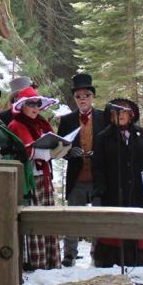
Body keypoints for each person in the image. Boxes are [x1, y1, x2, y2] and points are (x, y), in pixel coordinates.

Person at [92, 98, 143, 268]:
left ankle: (140, 260)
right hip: (113, 192)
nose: (121, 115)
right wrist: (100, 190)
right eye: (117, 112)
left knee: (139, 224)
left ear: (132, 115)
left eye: (125, 111)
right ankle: (114, 260)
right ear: (111, 116)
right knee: (115, 227)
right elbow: (98, 167)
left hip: (140, 192)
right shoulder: (103, 137)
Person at [57, 73, 108, 267]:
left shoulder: (103, 117)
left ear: (92, 96)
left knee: (99, 217)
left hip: (97, 177)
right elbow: (59, 149)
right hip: (76, 176)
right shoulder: (67, 120)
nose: (82, 99)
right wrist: (70, 153)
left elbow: (110, 145)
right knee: (73, 217)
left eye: (86, 95)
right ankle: (69, 254)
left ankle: (98, 253)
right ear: (74, 99)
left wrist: (100, 154)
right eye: (78, 96)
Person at [8, 86, 61, 270]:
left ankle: (51, 261)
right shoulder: (16, 125)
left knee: (49, 219)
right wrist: (43, 152)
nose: (35, 107)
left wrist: (58, 149)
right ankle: (36, 263)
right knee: (35, 219)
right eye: (31, 103)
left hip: (44, 177)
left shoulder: (41, 124)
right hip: (30, 178)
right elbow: (24, 151)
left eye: (37, 103)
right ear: (22, 106)